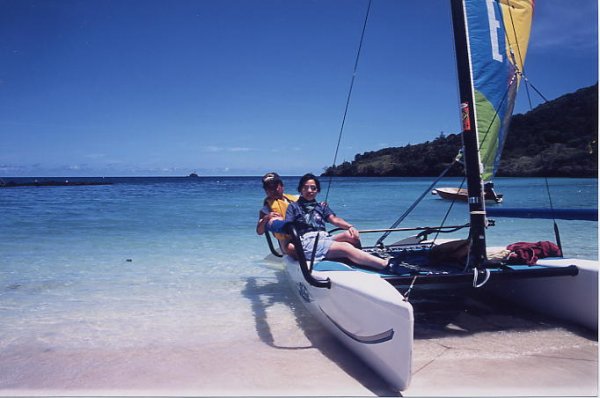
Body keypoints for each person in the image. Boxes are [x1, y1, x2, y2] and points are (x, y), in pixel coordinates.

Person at [282, 173, 395, 272]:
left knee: (351, 236)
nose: (309, 191)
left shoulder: (320, 206)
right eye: (306, 188)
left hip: (324, 238)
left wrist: (350, 227)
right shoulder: (293, 207)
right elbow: (287, 226)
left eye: (313, 188)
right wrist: (289, 245)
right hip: (308, 241)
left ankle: (360, 260)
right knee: (344, 247)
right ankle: (384, 264)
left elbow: (334, 220)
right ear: (300, 189)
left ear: (318, 190)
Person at [256, 172, 298, 256]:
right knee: (293, 248)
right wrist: (266, 219)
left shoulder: (296, 199)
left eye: (274, 187)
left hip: (303, 234)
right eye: (268, 188)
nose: (272, 190)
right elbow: (259, 231)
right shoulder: (266, 209)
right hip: (286, 241)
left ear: (282, 186)